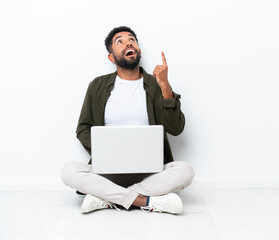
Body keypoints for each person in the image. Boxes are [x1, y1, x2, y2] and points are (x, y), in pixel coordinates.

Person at [60, 26, 194, 214]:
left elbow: (176, 128)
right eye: (120, 41)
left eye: (132, 39)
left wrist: (165, 86)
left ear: (139, 50)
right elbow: (83, 129)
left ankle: (107, 198)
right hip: (108, 172)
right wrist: (105, 150)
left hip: (149, 171)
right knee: (69, 170)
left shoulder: (156, 84)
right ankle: (144, 201)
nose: (128, 42)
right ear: (111, 58)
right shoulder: (97, 85)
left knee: (185, 171)